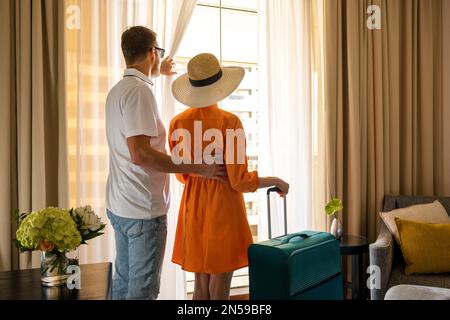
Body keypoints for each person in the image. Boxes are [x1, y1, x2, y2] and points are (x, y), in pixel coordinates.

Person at [105, 27, 227, 300]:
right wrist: (198, 167)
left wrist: (158, 72)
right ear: (151, 53)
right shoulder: (139, 93)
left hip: (121, 205)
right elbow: (141, 155)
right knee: (142, 292)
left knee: (123, 285)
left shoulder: (119, 91)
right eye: (158, 52)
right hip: (142, 211)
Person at [169, 53, 290, 300]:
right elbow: (239, 181)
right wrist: (274, 180)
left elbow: (181, 175)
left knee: (200, 286)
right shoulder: (229, 122)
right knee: (220, 286)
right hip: (222, 209)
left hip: (193, 209)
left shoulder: (178, 123)